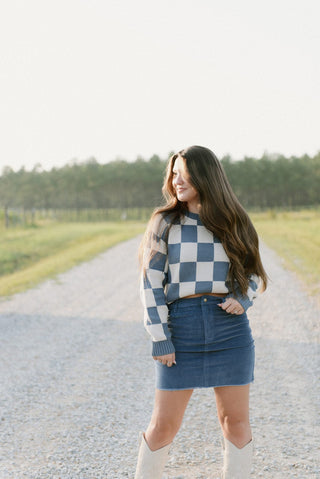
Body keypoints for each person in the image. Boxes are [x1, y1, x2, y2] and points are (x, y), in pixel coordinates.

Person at [135, 145, 268, 478]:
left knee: (235, 423)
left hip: (231, 331)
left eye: (184, 174)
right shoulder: (165, 222)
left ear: (205, 176)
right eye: (174, 174)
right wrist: (159, 336)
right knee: (163, 425)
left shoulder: (234, 220)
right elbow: (150, 283)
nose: (176, 181)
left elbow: (254, 270)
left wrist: (243, 297)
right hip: (182, 328)